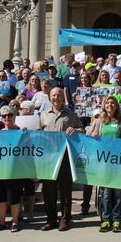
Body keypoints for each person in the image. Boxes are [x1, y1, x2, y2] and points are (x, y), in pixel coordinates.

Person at [39, 87, 84, 231]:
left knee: (65, 190)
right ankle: (51, 220)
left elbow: (82, 130)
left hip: (65, 157)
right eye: (53, 95)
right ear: (49, 97)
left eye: (58, 95)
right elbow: (38, 134)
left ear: (62, 97)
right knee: (48, 190)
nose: (56, 97)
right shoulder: (43, 115)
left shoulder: (70, 114)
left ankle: (65, 219)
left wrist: (75, 130)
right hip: (48, 158)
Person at [90, 96, 121, 233]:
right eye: (107, 102)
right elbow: (89, 135)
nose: (110, 105)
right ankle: (106, 219)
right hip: (103, 162)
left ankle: (118, 220)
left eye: (113, 103)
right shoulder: (99, 120)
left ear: (116, 106)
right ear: (104, 105)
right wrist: (94, 134)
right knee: (106, 193)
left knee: (118, 193)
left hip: (118, 162)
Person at [0, 105, 25, 232]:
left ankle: (15, 221)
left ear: (14, 116)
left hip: (15, 169)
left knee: (14, 196)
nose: (7, 118)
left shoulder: (20, 131)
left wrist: (23, 132)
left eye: (10, 115)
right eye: (4, 116)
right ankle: (2, 222)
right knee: (0, 197)